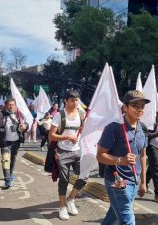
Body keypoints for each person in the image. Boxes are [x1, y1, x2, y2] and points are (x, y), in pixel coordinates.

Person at [97, 90, 149, 225]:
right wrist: (121, 160)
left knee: (114, 215)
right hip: (117, 182)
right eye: (135, 105)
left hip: (134, 181)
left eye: (142, 106)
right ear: (125, 108)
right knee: (127, 220)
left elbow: (142, 156)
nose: (140, 109)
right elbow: (100, 155)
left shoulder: (142, 128)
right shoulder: (114, 127)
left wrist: (143, 182)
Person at [48, 89, 87, 220]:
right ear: (65, 101)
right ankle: (62, 206)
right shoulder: (59, 115)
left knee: (84, 176)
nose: (75, 103)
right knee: (64, 180)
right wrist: (67, 137)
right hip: (62, 152)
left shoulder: (82, 114)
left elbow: (86, 129)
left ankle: (71, 199)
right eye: (72, 100)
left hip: (78, 151)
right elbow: (51, 135)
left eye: (76, 100)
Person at [0, 98, 29, 189]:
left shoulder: (20, 114)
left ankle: (10, 174)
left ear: (15, 105)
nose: (11, 106)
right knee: (5, 160)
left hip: (16, 141)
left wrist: (25, 126)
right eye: (9, 104)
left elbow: (27, 124)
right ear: (5, 105)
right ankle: (7, 180)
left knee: (13, 159)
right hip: (5, 141)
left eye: (12, 104)